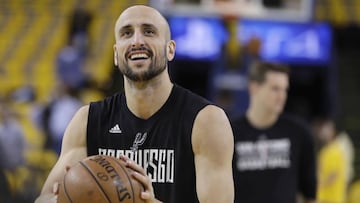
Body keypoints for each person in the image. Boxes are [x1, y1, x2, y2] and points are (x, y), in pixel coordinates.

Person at [35, 5, 234, 203]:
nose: (137, 41)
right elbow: (42, 199)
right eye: (127, 33)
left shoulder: (206, 121)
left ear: (170, 49)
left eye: (149, 31)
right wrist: (62, 197)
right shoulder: (87, 120)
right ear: (115, 54)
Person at [231, 61, 317, 203]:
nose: (282, 96)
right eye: (275, 89)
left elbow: (310, 195)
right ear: (254, 88)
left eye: (285, 90)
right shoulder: (230, 132)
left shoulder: (299, 133)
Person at [312, 118, 347, 203]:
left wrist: (319, 185)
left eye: (326, 129)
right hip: (323, 197)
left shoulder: (336, 150)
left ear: (333, 131)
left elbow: (334, 174)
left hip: (332, 198)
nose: (323, 132)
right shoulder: (325, 150)